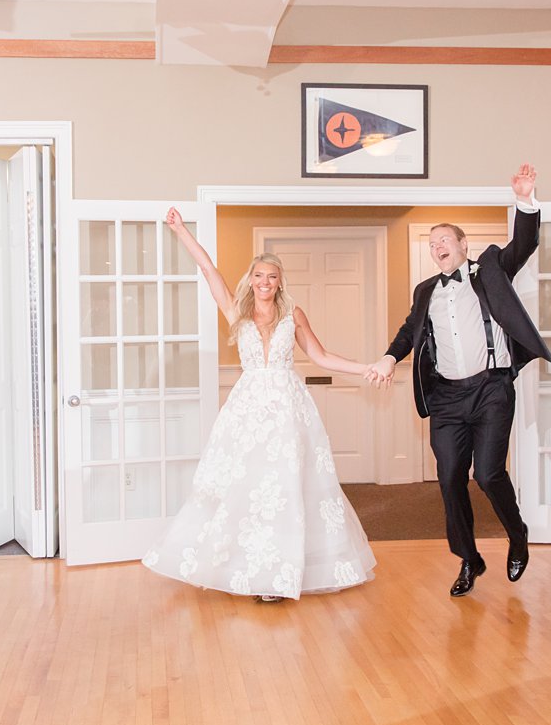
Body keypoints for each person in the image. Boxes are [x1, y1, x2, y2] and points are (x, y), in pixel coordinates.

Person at [143, 211, 376, 601]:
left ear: (279, 281)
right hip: (248, 410)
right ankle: (245, 568)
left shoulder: (293, 314)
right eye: (259, 275)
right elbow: (208, 269)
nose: (265, 282)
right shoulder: (237, 311)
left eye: (272, 276)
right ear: (250, 280)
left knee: (286, 487)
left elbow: (321, 356)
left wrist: (364, 367)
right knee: (246, 486)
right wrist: (182, 230)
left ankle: (283, 574)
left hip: (288, 408)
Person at [366, 164, 551, 598]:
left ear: (463, 245)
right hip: (447, 397)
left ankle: (517, 533)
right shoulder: (425, 290)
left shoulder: (490, 269)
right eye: (432, 245)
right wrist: (389, 357)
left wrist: (524, 201)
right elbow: (410, 331)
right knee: (449, 478)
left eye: (444, 241)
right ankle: (470, 558)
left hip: (491, 388)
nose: (437, 249)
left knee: (488, 475)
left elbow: (524, 243)